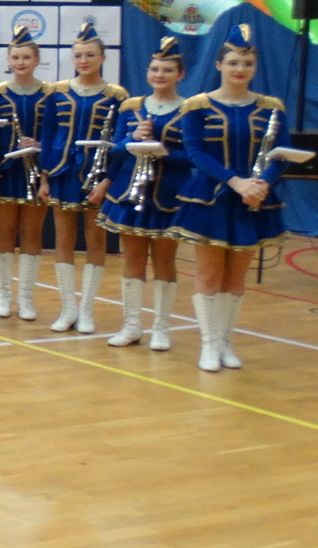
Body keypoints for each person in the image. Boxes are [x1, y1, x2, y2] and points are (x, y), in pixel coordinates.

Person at [164, 23, 289, 372]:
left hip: (254, 200)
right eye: (233, 62)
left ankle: (225, 341)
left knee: (236, 277)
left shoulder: (272, 107)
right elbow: (195, 152)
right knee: (208, 273)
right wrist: (236, 182)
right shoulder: (197, 105)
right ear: (219, 65)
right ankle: (208, 344)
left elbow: (281, 153)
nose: (240, 69)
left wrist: (262, 184)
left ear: (255, 67)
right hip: (210, 198)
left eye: (247, 64)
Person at [98, 36, 189, 350]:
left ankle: (161, 328)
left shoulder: (190, 110)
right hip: (131, 193)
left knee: (164, 261)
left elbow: (194, 156)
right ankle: (131, 325)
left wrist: (164, 151)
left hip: (169, 194)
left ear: (181, 74)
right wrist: (132, 139)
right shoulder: (131, 107)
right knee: (133, 260)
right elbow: (116, 151)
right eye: (154, 69)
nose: (159, 75)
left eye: (167, 70)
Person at [41, 23, 127, 333]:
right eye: (78, 55)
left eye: (90, 55)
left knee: (95, 239)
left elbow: (120, 143)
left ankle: (87, 309)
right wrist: (44, 178)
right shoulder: (57, 92)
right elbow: (47, 135)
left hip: (98, 177)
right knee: (63, 239)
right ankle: (68, 309)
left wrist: (108, 181)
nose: (84, 61)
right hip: (62, 174)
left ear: (103, 57)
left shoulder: (117, 96)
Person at [0, 27, 52, 320]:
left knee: (32, 233)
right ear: (8, 60)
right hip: (5, 171)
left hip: (37, 173)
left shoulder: (50, 94)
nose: (21, 62)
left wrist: (40, 145)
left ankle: (25, 297)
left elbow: (56, 133)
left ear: (37, 60)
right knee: (4, 231)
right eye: (16, 57)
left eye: (26, 57)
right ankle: (3, 294)